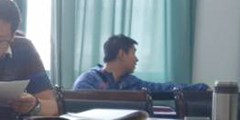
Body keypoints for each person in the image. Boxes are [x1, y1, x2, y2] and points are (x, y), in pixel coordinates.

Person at [72, 34, 210, 92]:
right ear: (122, 54)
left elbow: (163, 88)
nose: (137, 59)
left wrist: (201, 88)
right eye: (133, 53)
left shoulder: (131, 82)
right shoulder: (88, 80)